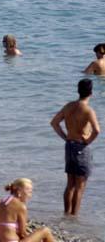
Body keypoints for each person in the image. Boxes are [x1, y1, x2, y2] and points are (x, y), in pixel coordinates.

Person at [50, 78, 100, 215]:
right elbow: (97, 130)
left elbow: (54, 123)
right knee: (80, 186)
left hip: (69, 146)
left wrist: (65, 137)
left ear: (78, 91)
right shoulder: (88, 110)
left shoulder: (68, 106)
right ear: (91, 93)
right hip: (80, 148)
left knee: (70, 184)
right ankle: (74, 216)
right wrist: (87, 142)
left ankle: (66, 213)